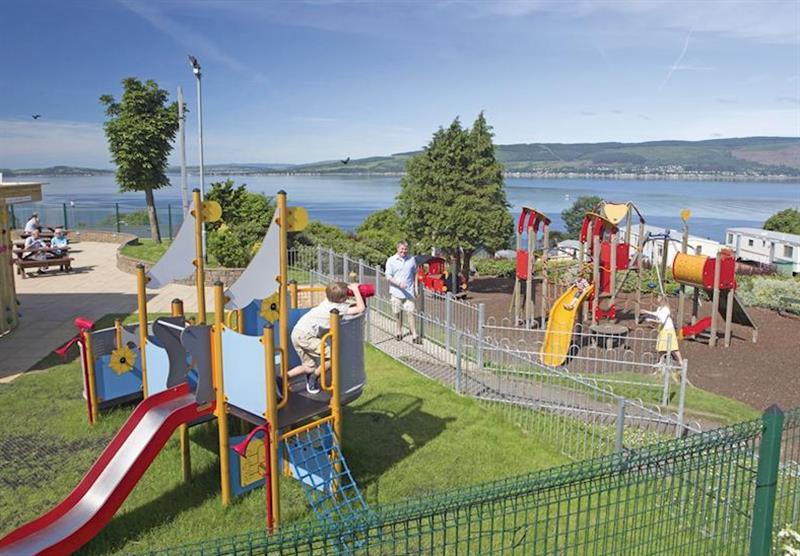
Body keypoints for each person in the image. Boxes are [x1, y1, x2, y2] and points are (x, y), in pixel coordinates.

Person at [287, 282, 366, 394]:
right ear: (342, 299)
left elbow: (345, 302)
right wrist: (356, 290)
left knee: (309, 367)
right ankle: (313, 378)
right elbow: (360, 308)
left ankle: (282, 378)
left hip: (297, 333)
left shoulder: (327, 302)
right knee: (333, 357)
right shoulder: (337, 308)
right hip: (306, 336)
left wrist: (348, 293)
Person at [385, 241, 422, 344]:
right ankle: (399, 331)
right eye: (402, 249)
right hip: (396, 292)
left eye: (405, 249)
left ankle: (414, 335)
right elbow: (388, 276)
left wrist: (416, 288)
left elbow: (415, 274)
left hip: (409, 293)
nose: (404, 251)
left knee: (411, 312)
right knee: (397, 313)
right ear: (397, 249)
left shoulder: (412, 260)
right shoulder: (391, 260)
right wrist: (398, 284)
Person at [643, 295, 684, 368]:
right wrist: (646, 311)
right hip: (662, 329)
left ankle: (681, 362)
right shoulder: (660, 308)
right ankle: (661, 362)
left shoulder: (666, 309)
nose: (657, 299)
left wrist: (651, 320)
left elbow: (662, 321)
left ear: (662, 299)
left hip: (668, 330)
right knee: (660, 346)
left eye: (658, 298)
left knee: (673, 347)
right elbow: (656, 313)